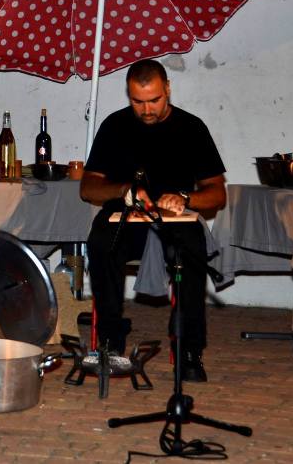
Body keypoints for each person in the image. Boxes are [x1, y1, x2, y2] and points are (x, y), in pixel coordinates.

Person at [80, 59, 225, 382]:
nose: (147, 109)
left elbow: (217, 194)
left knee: (191, 250)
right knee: (101, 243)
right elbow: (88, 188)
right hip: (125, 218)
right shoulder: (115, 126)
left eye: (154, 100)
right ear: (128, 94)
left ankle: (189, 350)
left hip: (175, 221)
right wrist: (124, 191)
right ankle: (109, 342)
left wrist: (185, 198)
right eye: (138, 101)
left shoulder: (191, 128)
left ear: (168, 89)